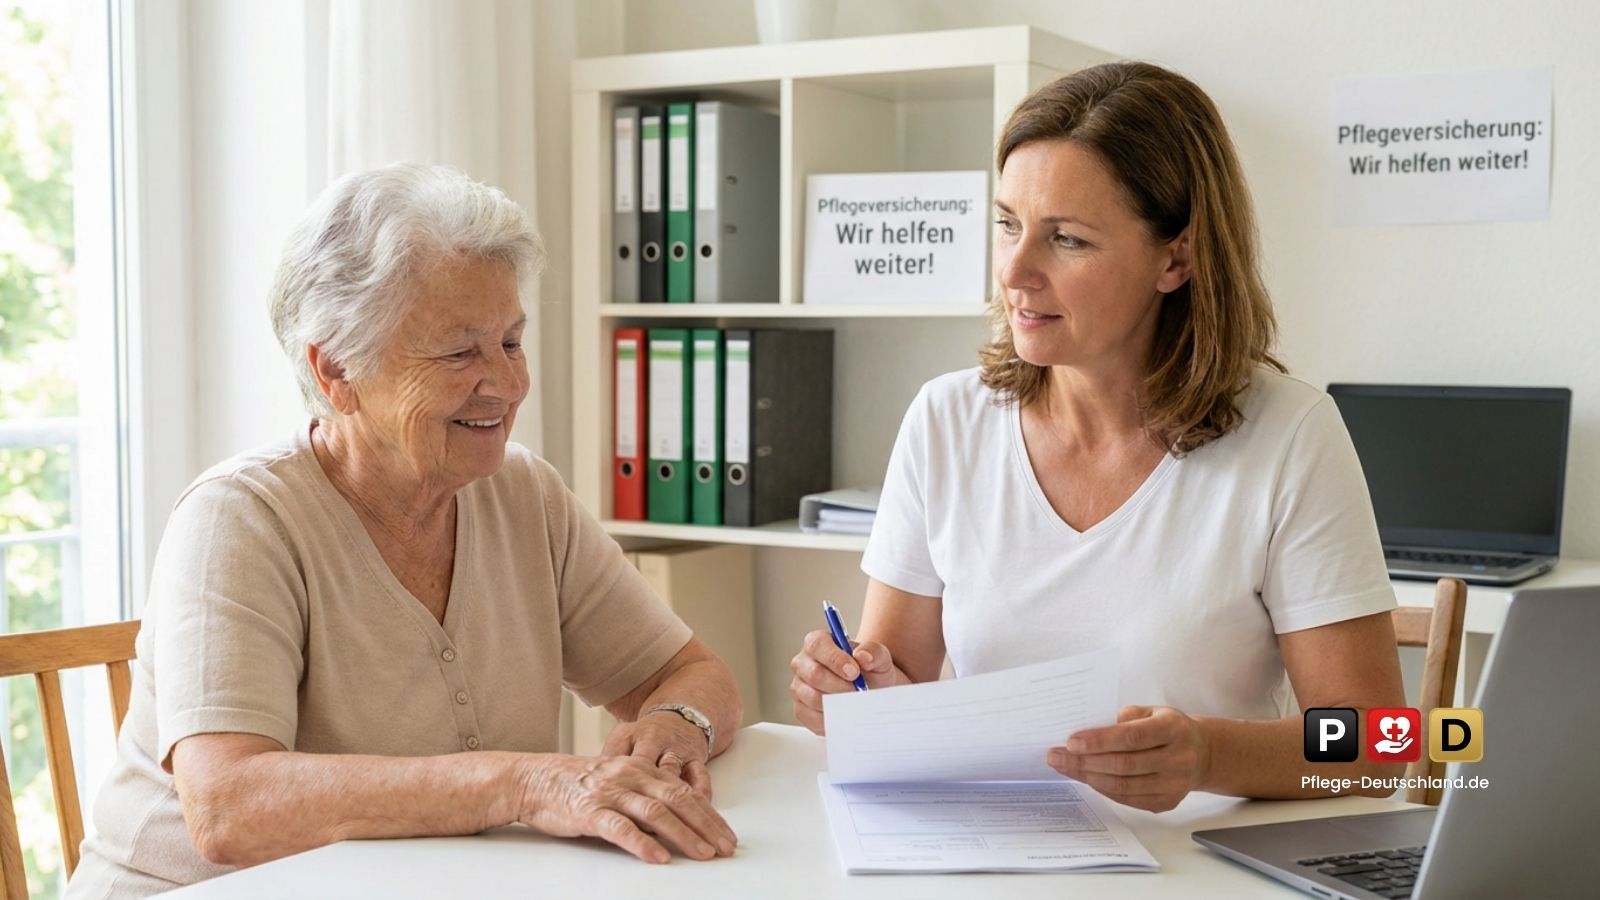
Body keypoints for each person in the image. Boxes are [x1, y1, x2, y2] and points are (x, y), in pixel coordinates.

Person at [69, 163, 740, 898]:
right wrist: (522, 784)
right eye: (460, 352)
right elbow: (228, 806)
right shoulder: (237, 519)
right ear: (336, 371)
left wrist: (677, 725)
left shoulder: (524, 493)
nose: (510, 384)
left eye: (511, 342)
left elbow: (690, 674)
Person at [790, 62, 1407, 812]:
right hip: (989, 850)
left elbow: (1381, 743)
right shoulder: (945, 420)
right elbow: (901, 685)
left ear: (1176, 258)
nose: (1015, 271)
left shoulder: (1289, 438)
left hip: (1204, 867)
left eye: (1068, 240)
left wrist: (1208, 753)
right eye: (1009, 224)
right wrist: (859, 696)